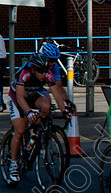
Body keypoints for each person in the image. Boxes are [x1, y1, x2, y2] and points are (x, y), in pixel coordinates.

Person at [6, 53, 69, 183]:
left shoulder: (46, 73)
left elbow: (56, 93)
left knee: (46, 105)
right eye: (41, 72)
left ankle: (37, 134)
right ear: (34, 69)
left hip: (34, 93)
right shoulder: (24, 73)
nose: (43, 75)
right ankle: (13, 164)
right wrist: (28, 112)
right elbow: (20, 97)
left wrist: (64, 111)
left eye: (45, 71)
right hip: (18, 97)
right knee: (20, 130)